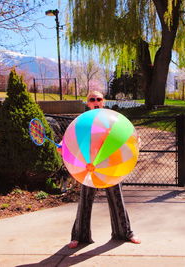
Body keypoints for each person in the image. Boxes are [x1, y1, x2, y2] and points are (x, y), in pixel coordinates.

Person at [67, 90, 140, 249]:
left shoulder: (112, 119)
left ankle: (125, 232)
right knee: (85, 201)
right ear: (88, 103)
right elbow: (71, 141)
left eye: (98, 98)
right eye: (92, 99)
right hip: (88, 168)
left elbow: (124, 136)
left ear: (103, 101)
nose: (95, 101)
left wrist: (134, 140)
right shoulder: (82, 122)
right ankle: (78, 236)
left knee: (117, 200)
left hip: (111, 167)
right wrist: (63, 148)